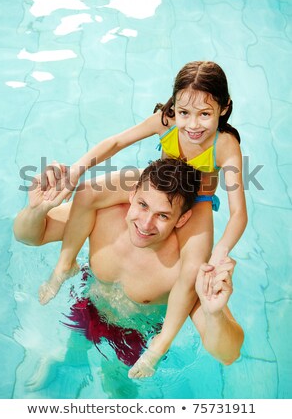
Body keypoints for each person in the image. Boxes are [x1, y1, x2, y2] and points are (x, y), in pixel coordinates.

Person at [32, 61, 248, 376]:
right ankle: (65, 265)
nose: (192, 125)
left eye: (205, 114)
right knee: (88, 192)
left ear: (224, 108)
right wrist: (75, 170)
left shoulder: (225, 144)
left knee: (193, 268)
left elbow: (239, 214)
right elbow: (117, 142)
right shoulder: (167, 120)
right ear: (174, 104)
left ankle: (159, 345)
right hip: (159, 184)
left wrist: (220, 252)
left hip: (195, 202)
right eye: (184, 112)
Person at [14, 159, 244, 378]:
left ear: (182, 220)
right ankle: (65, 361)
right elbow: (30, 236)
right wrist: (36, 210)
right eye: (143, 205)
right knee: (74, 348)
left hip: (135, 336)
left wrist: (214, 315)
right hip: (90, 305)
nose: (145, 224)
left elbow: (228, 354)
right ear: (132, 195)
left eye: (162, 216)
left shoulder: (184, 267)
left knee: (116, 385)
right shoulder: (103, 215)